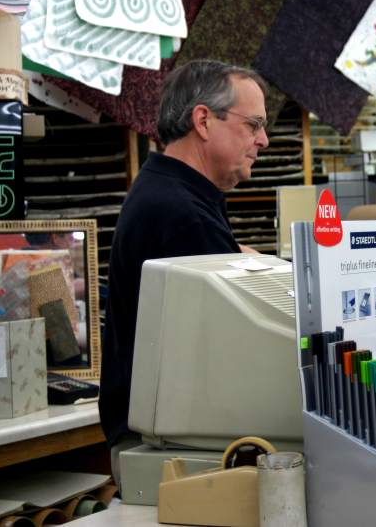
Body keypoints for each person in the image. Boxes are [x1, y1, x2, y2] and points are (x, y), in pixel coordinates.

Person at [100, 60, 269, 485]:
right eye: (253, 125)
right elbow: (233, 340)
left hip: (163, 437)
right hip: (165, 447)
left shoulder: (171, 190)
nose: (263, 141)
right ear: (204, 121)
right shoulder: (181, 211)